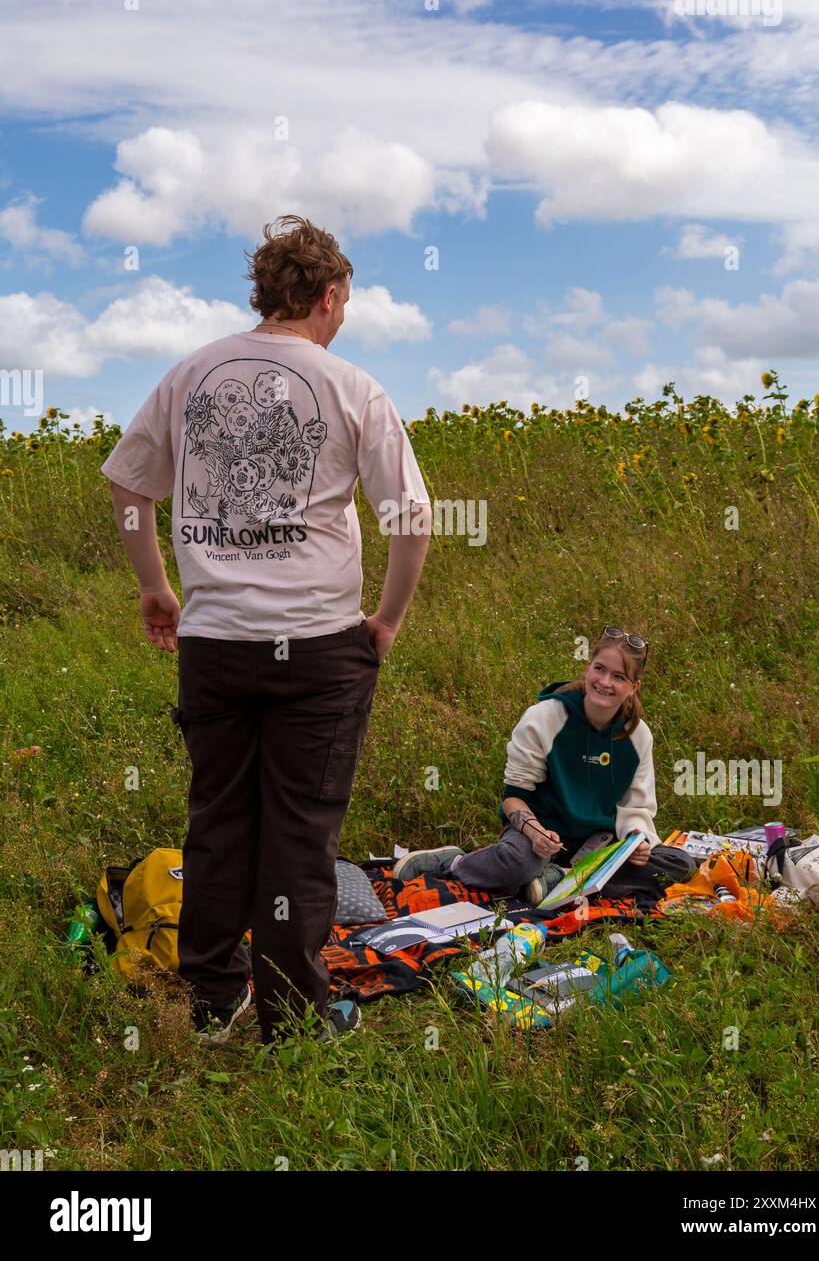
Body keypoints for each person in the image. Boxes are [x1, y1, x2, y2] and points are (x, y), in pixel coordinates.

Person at [101, 214, 431, 1046]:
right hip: (320, 645)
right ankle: (294, 1017)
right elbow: (412, 518)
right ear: (327, 296)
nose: (344, 313)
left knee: (217, 820)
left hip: (212, 643)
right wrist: (385, 622)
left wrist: (158, 588)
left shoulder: (190, 373)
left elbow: (129, 487)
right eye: (345, 300)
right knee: (299, 833)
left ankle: (213, 1002)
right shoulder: (355, 387)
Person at [395, 626, 695, 908]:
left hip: (598, 843)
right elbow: (513, 798)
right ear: (588, 668)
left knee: (679, 863)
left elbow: (636, 809)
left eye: (618, 677)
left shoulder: (637, 735)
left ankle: (559, 879)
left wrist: (637, 842)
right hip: (541, 836)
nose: (604, 682)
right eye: (599, 669)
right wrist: (536, 833)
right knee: (519, 863)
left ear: (633, 687)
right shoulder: (545, 718)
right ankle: (457, 864)